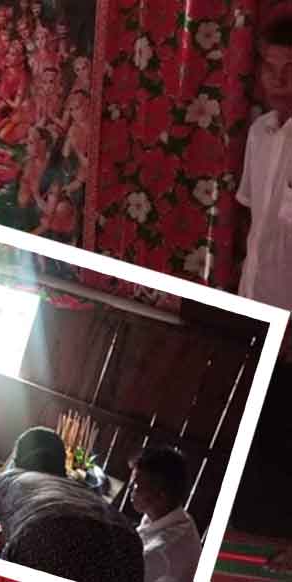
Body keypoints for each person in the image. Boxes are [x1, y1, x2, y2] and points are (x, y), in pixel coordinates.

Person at [229, 15, 292, 571]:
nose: (280, 80)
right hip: (259, 303)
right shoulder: (259, 134)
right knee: (263, 426)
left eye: (291, 69)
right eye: (271, 67)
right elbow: (255, 227)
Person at [0, 427, 144, 582]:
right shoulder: (78, 488)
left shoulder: (5, 480)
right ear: (62, 466)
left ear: (17, 461)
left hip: (48, 532)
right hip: (127, 544)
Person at [131, 446, 201, 582]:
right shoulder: (177, 517)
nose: (131, 488)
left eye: (136, 485)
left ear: (161, 496)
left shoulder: (157, 555)